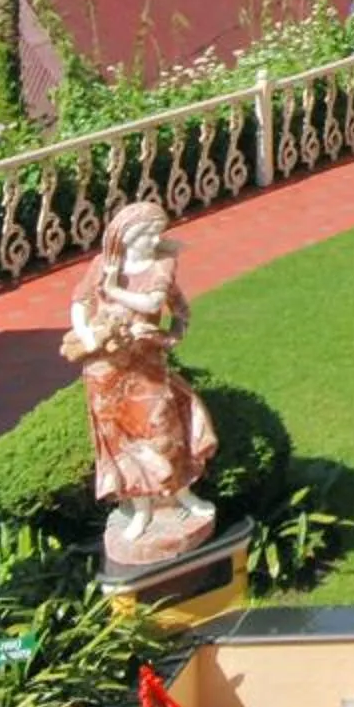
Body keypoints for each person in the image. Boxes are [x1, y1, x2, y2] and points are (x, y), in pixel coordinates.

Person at [61, 200, 219, 559]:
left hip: (145, 361)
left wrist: (115, 289)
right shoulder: (102, 264)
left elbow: (152, 303)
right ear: (124, 234)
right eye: (145, 233)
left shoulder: (160, 264)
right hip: (106, 368)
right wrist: (86, 334)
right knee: (122, 440)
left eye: (156, 232)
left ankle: (180, 493)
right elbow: (80, 301)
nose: (152, 239)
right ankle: (142, 507)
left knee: (162, 428)